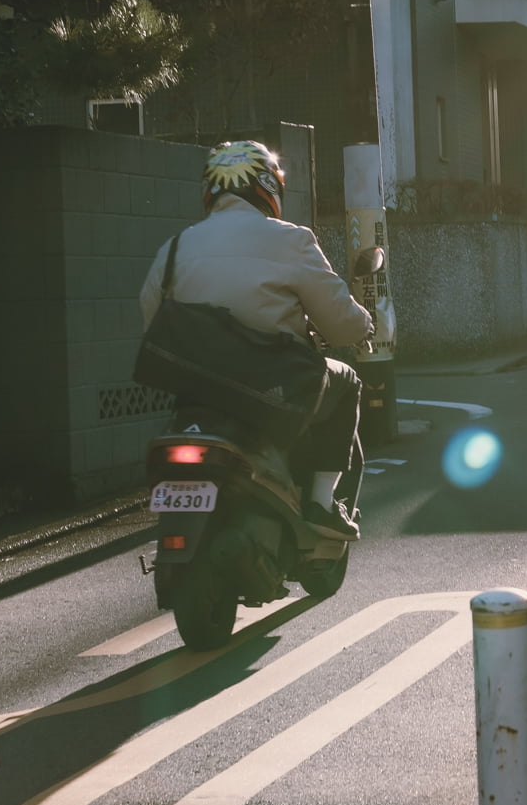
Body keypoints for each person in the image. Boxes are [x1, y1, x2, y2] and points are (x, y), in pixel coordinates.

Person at [140, 140, 372, 540]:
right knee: (347, 381)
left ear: (210, 188)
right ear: (268, 185)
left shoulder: (176, 246)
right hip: (271, 386)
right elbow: (340, 323)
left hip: (196, 389)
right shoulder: (291, 240)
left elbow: (150, 314)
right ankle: (319, 504)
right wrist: (364, 325)